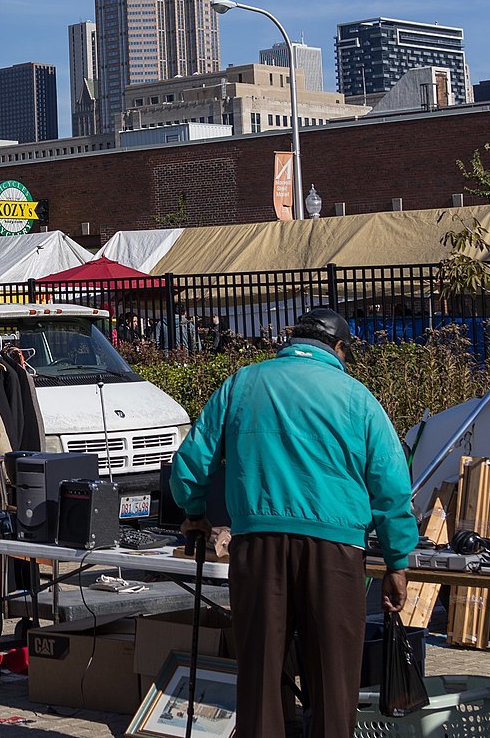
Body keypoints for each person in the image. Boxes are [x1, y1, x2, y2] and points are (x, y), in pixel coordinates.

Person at [169, 307, 417, 738]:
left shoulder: (242, 384)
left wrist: (194, 513)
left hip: (258, 544)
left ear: (292, 339)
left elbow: (190, 464)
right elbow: (391, 485)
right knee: (334, 680)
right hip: (336, 550)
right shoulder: (357, 397)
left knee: (261, 675)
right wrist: (397, 561)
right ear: (338, 347)